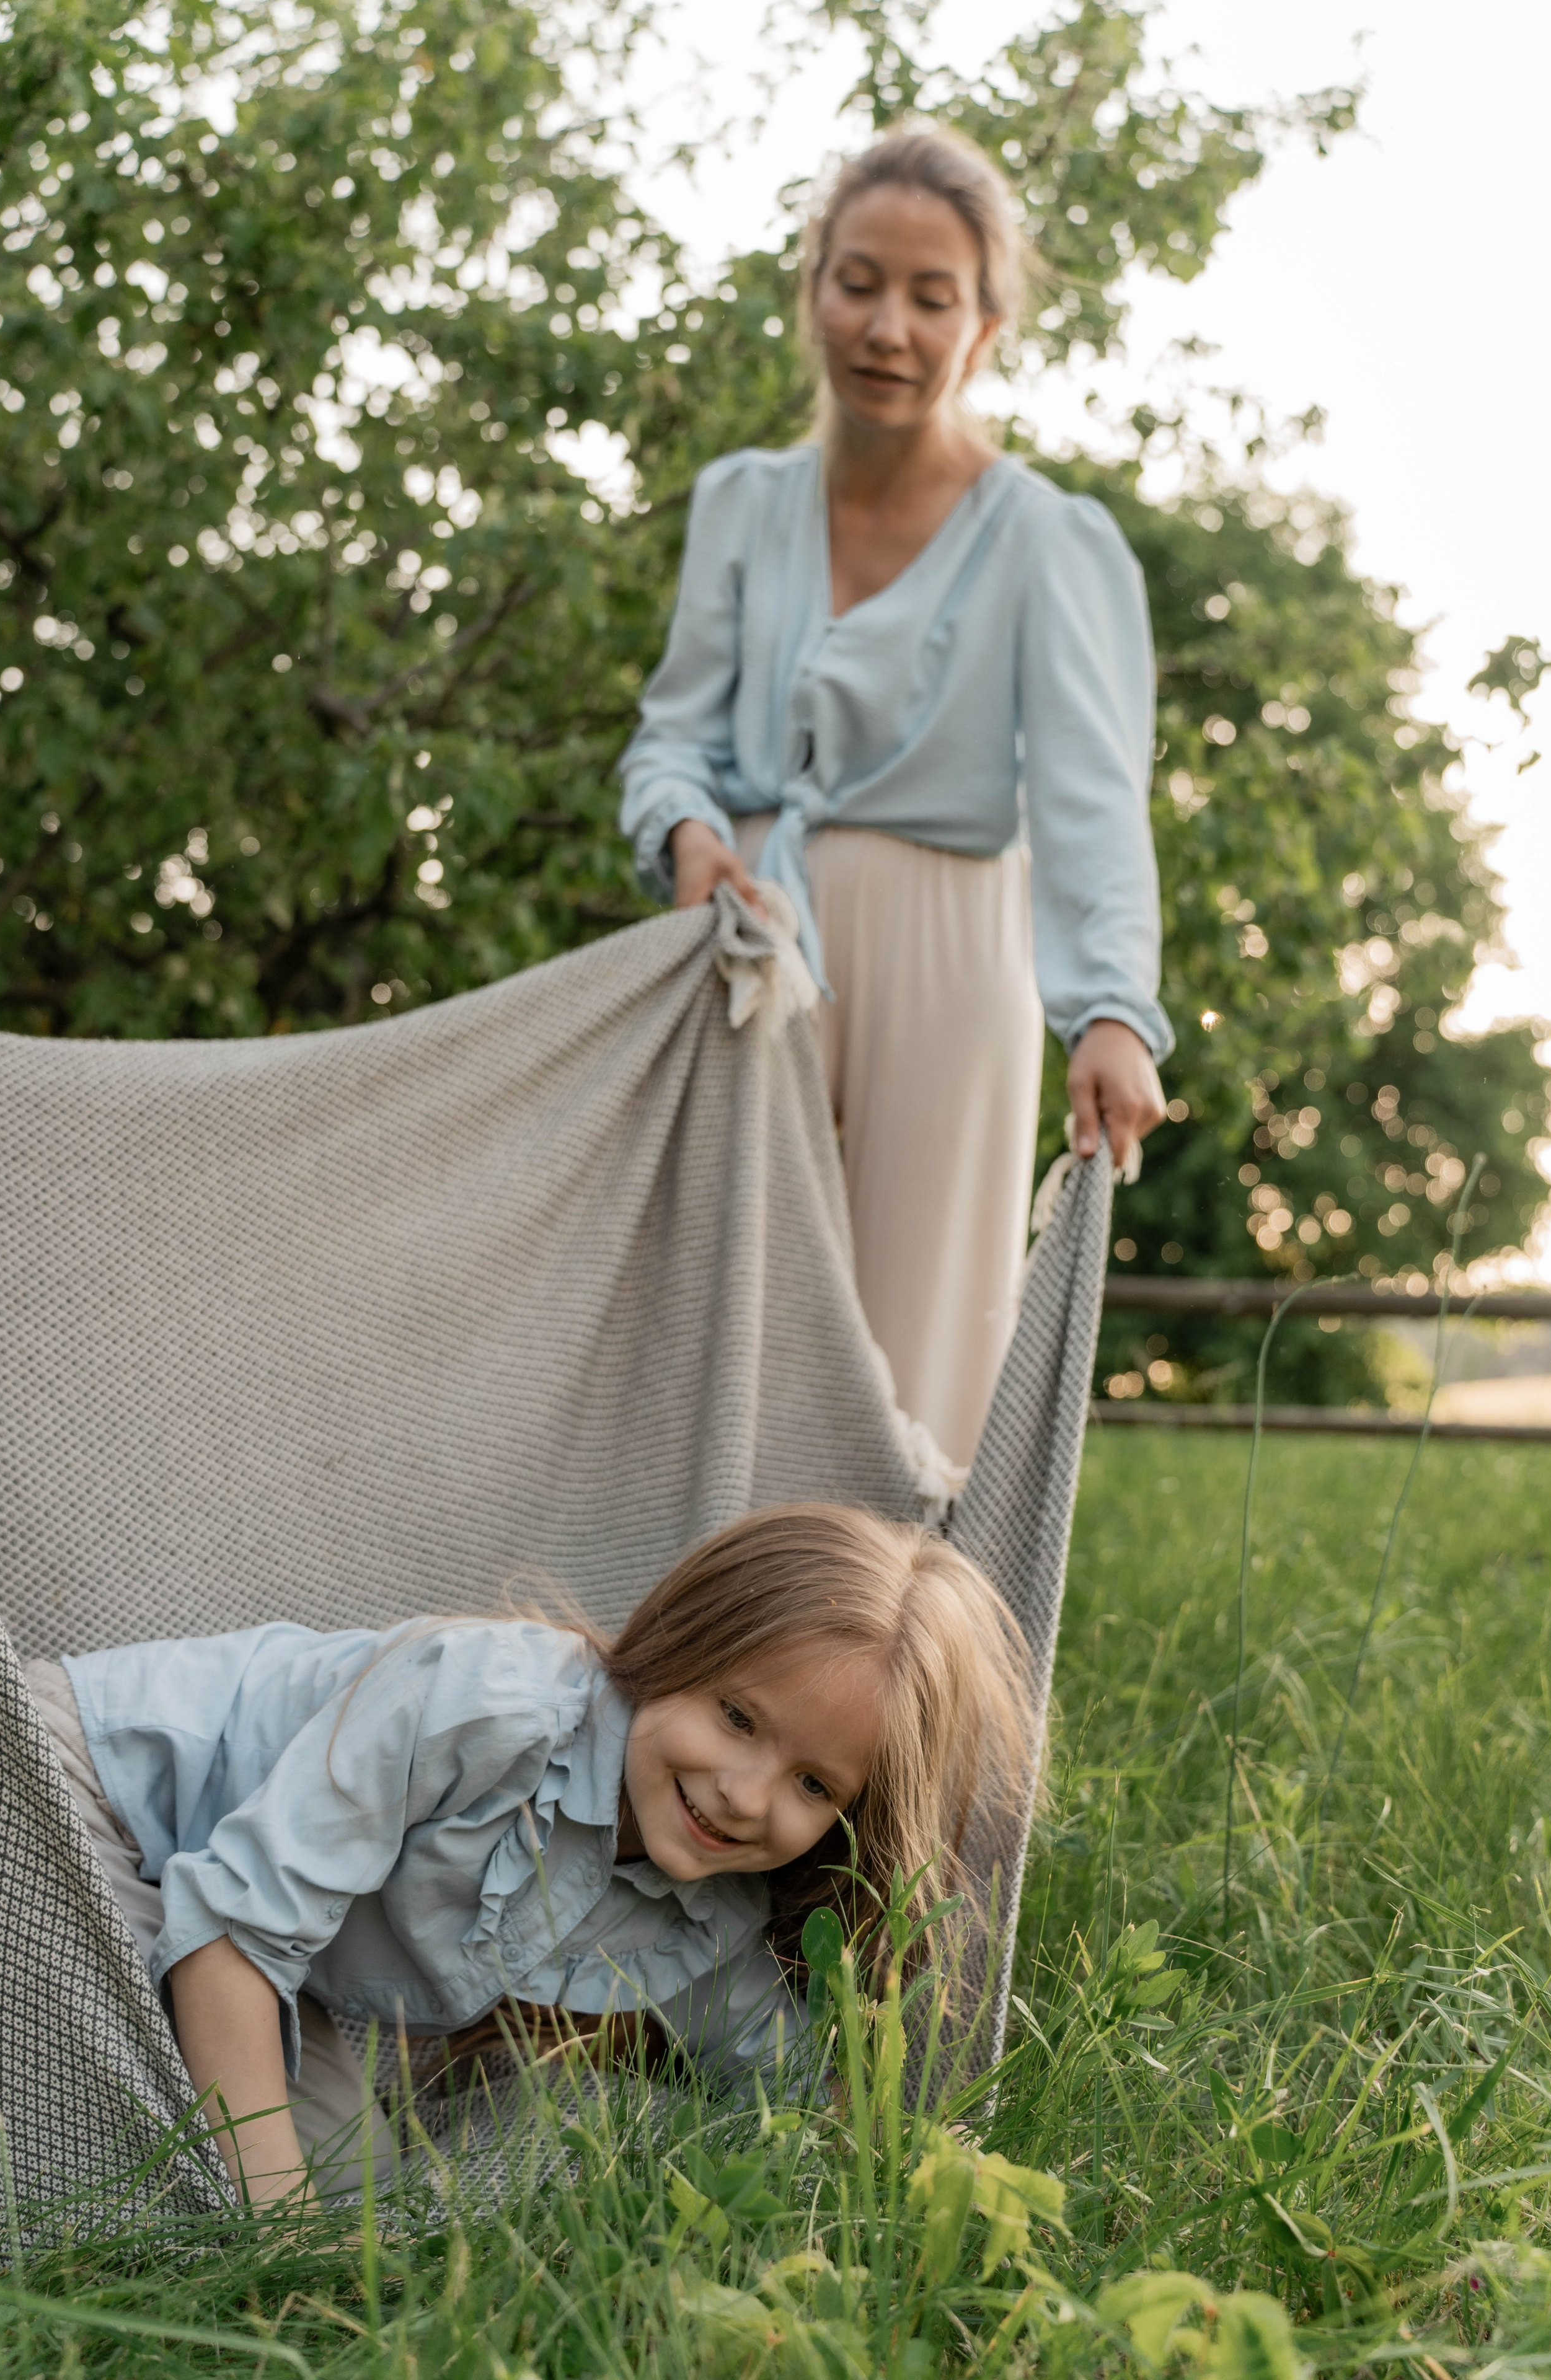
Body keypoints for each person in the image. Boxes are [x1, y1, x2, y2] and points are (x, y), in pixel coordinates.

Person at [621, 126, 1173, 1468]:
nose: (887, 328)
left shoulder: (1046, 538)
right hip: (752, 944)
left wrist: (1110, 1008)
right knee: (721, 1326)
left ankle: (901, 1612)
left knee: (922, 1353)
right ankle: (712, 1607)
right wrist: (688, 834)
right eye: (858, 282)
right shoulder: (740, 505)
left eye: (933, 298)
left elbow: (1093, 798)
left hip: (954, 950)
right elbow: (669, 740)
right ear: (812, 288)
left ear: (983, 328)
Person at [25, 1504, 1032, 2206]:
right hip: (76, 1791)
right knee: (117, 2157)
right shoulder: (488, 1706)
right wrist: (274, 2246)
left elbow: (795, 2098)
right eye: (737, 1717)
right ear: (676, 1643)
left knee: (362, 2201)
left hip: (244, 1941)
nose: (744, 1795)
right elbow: (233, 1937)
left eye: (813, 1785)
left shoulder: (716, 1917)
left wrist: (911, 2178)